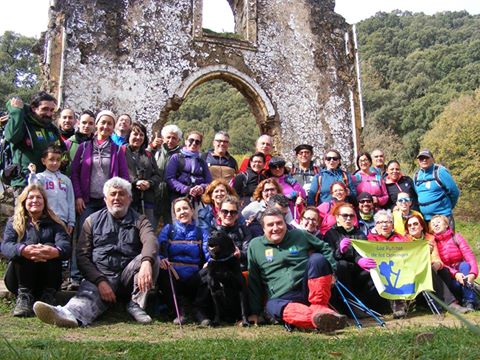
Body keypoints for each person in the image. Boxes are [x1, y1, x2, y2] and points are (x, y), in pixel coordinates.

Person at [33, 177, 158, 327]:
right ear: (105, 199)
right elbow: (82, 256)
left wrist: (145, 263)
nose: (117, 198)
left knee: (151, 258)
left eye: (121, 194)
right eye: (113, 194)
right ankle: (66, 315)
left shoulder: (140, 220)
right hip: (100, 276)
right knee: (85, 298)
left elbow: (150, 240)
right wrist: (100, 281)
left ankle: (135, 304)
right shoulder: (91, 221)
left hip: (128, 278)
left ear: (130, 199)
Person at [247, 207, 347, 332]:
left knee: (317, 259)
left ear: (285, 223)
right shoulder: (255, 245)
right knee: (272, 306)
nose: (276, 228)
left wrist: (332, 271)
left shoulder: (299, 234)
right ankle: (321, 319)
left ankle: (320, 309)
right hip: (281, 297)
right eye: (270, 225)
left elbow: (325, 248)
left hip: (308, 290)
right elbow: (254, 280)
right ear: (263, 228)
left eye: (279, 223)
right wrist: (255, 312)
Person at [1, 184, 71, 317]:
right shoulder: (13, 223)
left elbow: (66, 246)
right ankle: (24, 298)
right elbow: (6, 246)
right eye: (31, 197)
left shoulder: (56, 223)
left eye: (39, 197)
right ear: (24, 201)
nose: (35, 201)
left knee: (50, 245)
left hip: (48, 278)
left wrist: (54, 251)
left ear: (44, 202)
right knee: (25, 246)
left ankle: (48, 297)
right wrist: (23, 250)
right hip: (19, 279)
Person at [324, 203, 387, 314]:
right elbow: (329, 255)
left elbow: (363, 252)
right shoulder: (331, 234)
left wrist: (360, 260)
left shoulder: (360, 233)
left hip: (357, 271)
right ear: (337, 217)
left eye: (351, 216)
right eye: (345, 215)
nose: (348, 218)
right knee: (341, 265)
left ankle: (368, 306)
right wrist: (340, 251)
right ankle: (347, 307)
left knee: (372, 270)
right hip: (340, 272)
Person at [71, 110, 130, 230]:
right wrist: (78, 196)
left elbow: (124, 177)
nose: (105, 126)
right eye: (103, 122)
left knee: (107, 236)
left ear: (113, 127)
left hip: (108, 202)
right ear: (96, 125)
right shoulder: (84, 147)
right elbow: (74, 173)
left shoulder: (117, 150)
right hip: (86, 202)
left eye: (109, 124)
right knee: (85, 234)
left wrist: (124, 197)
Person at [157, 197, 209, 324]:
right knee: (162, 270)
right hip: (174, 274)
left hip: (195, 276)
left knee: (210, 271)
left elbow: (208, 251)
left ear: (192, 210)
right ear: (175, 215)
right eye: (178, 210)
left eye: (185, 208)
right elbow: (159, 248)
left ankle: (199, 310)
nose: (183, 212)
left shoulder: (201, 232)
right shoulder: (168, 230)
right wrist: (161, 258)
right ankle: (179, 312)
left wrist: (209, 261)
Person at [406, 215, 472, 314]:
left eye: (415, 224)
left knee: (443, 270)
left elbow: (437, 258)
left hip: (430, 272)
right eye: (409, 225)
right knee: (428, 269)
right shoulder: (404, 240)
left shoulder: (430, 238)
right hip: (412, 274)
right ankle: (450, 303)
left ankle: (463, 301)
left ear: (422, 226)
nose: (412, 227)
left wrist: (437, 264)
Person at [4, 92, 63, 189]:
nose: (49, 113)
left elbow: (62, 152)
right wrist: (17, 112)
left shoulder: (52, 129)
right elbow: (12, 137)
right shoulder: (23, 123)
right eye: (45, 109)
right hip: (24, 183)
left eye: (52, 110)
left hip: (48, 184)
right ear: (33, 108)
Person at [429, 215, 478, 311]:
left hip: (462, 270)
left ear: (446, 225)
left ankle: (469, 301)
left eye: (438, 222)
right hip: (448, 275)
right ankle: (468, 298)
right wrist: (455, 273)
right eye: (433, 224)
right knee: (454, 280)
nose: (436, 225)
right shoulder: (433, 242)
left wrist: (473, 273)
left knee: (464, 265)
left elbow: (469, 256)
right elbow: (439, 262)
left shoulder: (456, 237)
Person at [366, 209, 409, 318]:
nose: (384, 225)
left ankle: (399, 305)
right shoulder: (370, 239)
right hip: (379, 269)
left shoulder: (401, 238)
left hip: (400, 268)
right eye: (380, 222)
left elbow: (409, 253)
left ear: (392, 224)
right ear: (375, 225)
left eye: (388, 222)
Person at [27, 145, 75, 235]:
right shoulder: (40, 177)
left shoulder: (66, 180)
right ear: (43, 161)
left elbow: (70, 201)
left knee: (61, 245)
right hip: (45, 218)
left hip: (62, 220)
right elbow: (33, 189)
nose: (55, 163)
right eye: (51, 159)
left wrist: (71, 222)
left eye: (58, 160)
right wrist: (32, 173)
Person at [125, 122, 161, 228]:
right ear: (129, 136)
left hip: (147, 200)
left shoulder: (148, 155)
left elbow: (157, 175)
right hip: (128, 199)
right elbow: (120, 173)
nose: (138, 137)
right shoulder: (121, 152)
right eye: (135, 134)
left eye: (141, 135)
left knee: (147, 231)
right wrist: (135, 181)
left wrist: (149, 183)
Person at [413, 149, 460, 227]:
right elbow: (418, 194)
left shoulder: (440, 172)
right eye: (421, 158)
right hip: (427, 219)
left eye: (427, 157)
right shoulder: (417, 175)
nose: (424, 160)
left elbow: (454, 191)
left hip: (443, 217)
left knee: (447, 239)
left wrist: (449, 207)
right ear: (418, 161)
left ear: (432, 159)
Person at [165, 131, 212, 204]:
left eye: (197, 142)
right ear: (186, 141)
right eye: (191, 140)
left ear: (200, 145)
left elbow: (209, 181)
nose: (194, 143)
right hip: (179, 198)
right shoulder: (176, 158)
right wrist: (186, 189)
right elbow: (169, 178)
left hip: (198, 199)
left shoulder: (202, 161)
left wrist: (201, 187)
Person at [150, 124, 182, 225]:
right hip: (155, 196)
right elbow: (144, 159)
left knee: (172, 230)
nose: (170, 140)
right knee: (151, 228)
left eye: (174, 138)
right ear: (163, 138)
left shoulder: (182, 156)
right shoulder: (156, 152)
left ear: (178, 140)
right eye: (168, 137)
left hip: (172, 198)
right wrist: (152, 147)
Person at [212, 195, 252, 271]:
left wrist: (240, 254)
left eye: (233, 212)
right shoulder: (213, 231)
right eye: (225, 211)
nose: (229, 215)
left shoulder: (244, 230)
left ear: (237, 215)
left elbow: (248, 251)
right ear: (219, 213)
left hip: (240, 270)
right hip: (221, 271)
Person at [64, 110, 95, 175]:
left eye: (90, 123)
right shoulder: (68, 144)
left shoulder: (96, 145)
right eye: (84, 122)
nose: (87, 126)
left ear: (94, 125)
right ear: (78, 123)